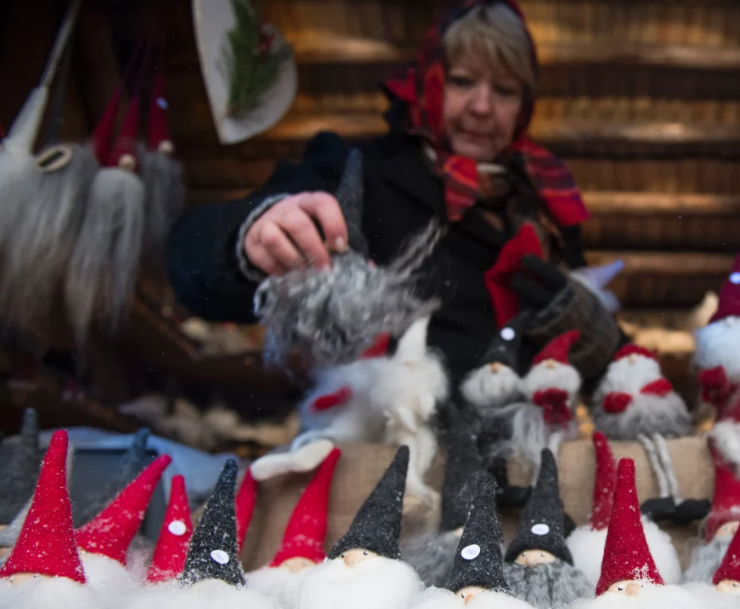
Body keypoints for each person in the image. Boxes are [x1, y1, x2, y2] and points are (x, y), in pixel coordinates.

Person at [167, 0, 622, 389]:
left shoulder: (546, 208)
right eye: (463, 82)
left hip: (523, 463)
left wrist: (600, 336)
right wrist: (250, 236)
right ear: (429, 82)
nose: (482, 107)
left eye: (504, 90)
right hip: (387, 463)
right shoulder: (358, 173)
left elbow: (609, 368)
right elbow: (192, 265)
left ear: (524, 107)